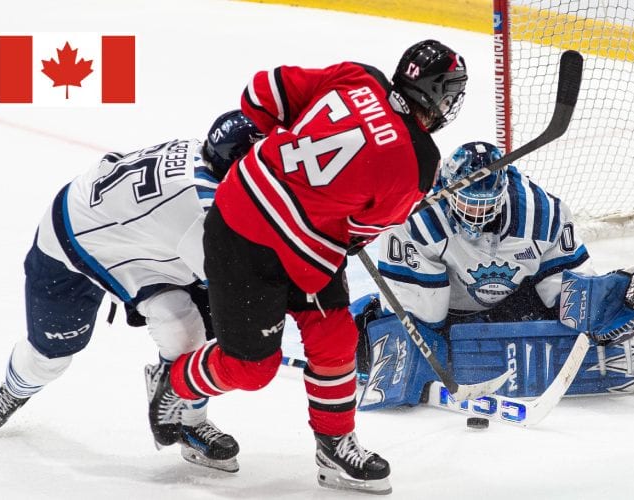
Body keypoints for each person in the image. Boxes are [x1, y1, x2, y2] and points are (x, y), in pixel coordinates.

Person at [146, 39, 468, 494]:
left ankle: (334, 446)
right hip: (245, 237)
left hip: (295, 242)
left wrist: (276, 149)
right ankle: (175, 380)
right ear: (439, 96)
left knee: (335, 339)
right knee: (251, 368)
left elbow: (262, 93)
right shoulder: (419, 162)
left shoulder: (359, 76)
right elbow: (358, 232)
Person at [0, 110, 263, 472]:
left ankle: (188, 420)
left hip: (138, 241)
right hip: (72, 243)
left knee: (185, 327)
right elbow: (239, 287)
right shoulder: (203, 210)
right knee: (50, 356)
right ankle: (15, 389)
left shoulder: (206, 160)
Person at [351, 140, 634, 409]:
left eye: (485, 204)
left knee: (581, 309)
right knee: (414, 337)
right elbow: (422, 314)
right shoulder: (416, 219)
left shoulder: (542, 214)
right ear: (447, 192)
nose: (476, 214)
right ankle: (365, 332)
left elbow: (568, 289)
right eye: (467, 203)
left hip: (516, 302)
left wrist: (591, 307)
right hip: (447, 311)